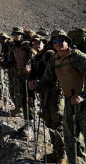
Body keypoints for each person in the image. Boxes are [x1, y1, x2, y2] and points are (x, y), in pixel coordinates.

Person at [37, 30, 86, 164]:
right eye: (55, 41)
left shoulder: (77, 56)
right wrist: (37, 85)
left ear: (67, 41)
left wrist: (83, 95)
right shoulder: (54, 60)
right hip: (70, 102)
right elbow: (48, 80)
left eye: (61, 40)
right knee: (71, 142)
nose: (58, 43)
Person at [28, 34, 65, 163]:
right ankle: (56, 152)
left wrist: (37, 84)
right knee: (49, 122)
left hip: (55, 94)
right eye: (34, 44)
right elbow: (32, 75)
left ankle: (62, 156)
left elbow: (52, 77)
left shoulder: (49, 55)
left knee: (58, 123)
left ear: (44, 44)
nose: (36, 45)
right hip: (44, 93)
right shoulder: (35, 59)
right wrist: (32, 89)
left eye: (39, 43)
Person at [4, 27, 33, 135]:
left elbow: (33, 57)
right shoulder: (13, 46)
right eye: (15, 34)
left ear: (22, 35)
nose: (16, 36)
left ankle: (30, 123)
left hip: (27, 75)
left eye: (18, 34)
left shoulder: (26, 45)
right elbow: (11, 58)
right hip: (17, 75)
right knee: (20, 95)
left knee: (28, 98)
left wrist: (30, 67)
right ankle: (25, 119)